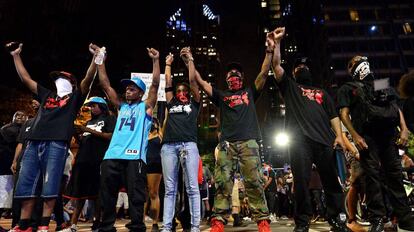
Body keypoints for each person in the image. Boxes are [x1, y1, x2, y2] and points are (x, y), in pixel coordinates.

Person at [6, 42, 97, 232]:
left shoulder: (74, 99)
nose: (58, 80)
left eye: (62, 78)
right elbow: (25, 79)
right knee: (27, 184)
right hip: (33, 143)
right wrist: (16, 55)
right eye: (56, 79)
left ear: (72, 83)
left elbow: (88, 79)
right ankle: (23, 225)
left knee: (50, 185)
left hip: (56, 143)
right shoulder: (47, 95)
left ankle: (44, 225)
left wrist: (96, 59)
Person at [193, 31, 276, 232]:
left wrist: (269, 50)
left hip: (249, 141)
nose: (233, 77)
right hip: (227, 144)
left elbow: (264, 73)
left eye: (236, 74)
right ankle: (218, 221)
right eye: (230, 75)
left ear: (242, 77)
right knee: (222, 182)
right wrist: (190, 62)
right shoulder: (221, 95)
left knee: (254, 181)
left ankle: (263, 220)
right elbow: (202, 84)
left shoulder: (249, 91)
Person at [271, 27, 349, 232]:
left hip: (324, 141)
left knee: (332, 182)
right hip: (300, 142)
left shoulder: (322, 92)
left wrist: (339, 137)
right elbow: (277, 66)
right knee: (302, 184)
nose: (302, 68)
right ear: (294, 72)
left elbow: (334, 116)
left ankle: (338, 220)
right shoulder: (290, 87)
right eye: (298, 66)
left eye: (305, 66)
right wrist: (277, 43)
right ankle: (302, 222)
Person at [338, 55, 414, 232]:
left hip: (388, 136)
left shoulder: (380, 83)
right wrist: (355, 136)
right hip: (367, 138)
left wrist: (403, 129)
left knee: (395, 176)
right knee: (372, 179)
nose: (361, 61)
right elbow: (344, 114)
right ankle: (377, 219)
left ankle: (404, 218)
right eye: (356, 61)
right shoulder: (349, 87)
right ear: (350, 69)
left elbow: (395, 106)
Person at [97, 46, 160, 232]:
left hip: (134, 157)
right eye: (127, 89)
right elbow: (105, 85)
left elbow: (155, 85)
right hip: (112, 155)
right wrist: (100, 59)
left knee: (136, 196)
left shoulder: (146, 107)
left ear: (140, 93)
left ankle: (137, 226)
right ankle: (106, 226)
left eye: (132, 89)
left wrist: (156, 61)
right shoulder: (121, 106)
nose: (128, 91)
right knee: (107, 194)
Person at [160, 49, 201, 232]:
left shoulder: (194, 104)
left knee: (192, 187)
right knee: (170, 189)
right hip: (169, 146)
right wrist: (168, 63)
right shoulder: (172, 103)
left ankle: (194, 227)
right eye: (179, 91)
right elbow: (167, 82)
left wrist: (189, 60)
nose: (182, 92)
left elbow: (193, 81)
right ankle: (167, 226)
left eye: (184, 91)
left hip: (189, 145)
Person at [62, 96, 116, 232]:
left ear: (102, 106)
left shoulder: (109, 119)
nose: (91, 108)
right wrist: (77, 133)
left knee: (97, 194)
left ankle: (97, 223)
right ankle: (73, 225)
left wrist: (88, 130)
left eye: (94, 106)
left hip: (99, 159)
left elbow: (110, 136)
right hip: (83, 160)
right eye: (90, 106)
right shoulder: (88, 122)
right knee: (79, 194)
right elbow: (83, 141)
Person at [0, 111, 26, 223]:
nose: (20, 117)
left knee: (11, 198)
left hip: (15, 167)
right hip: (6, 167)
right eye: (17, 115)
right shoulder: (7, 129)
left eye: (23, 116)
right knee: (4, 198)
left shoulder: (23, 130)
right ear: (13, 117)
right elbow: (19, 142)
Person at [145, 118, 163, 232]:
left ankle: (154, 223)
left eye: (153, 122)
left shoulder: (160, 135)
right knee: (142, 194)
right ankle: (140, 222)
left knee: (153, 193)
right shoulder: (143, 135)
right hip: (143, 164)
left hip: (155, 164)